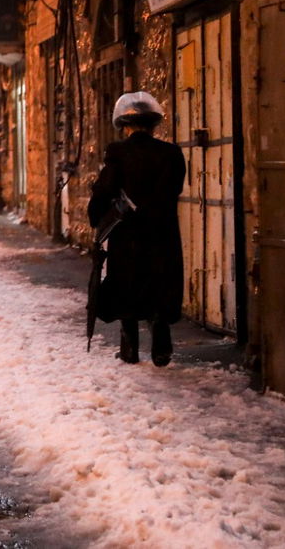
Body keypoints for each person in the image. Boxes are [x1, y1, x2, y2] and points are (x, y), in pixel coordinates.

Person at [88, 91, 186, 366]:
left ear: (125, 126)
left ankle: (129, 346)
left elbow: (106, 188)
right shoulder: (172, 153)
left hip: (128, 234)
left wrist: (96, 218)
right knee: (160, 283)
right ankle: (161, 343)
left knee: (127, 284)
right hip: (162, 232)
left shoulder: (118, 152)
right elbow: (175, 188)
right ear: (153, 125)